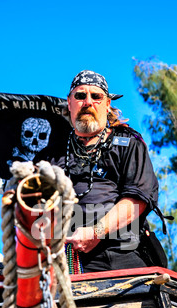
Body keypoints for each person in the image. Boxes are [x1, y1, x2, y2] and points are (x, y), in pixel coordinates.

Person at [48, 70, 164, 273]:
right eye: (80, 95)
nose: (88, 102)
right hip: (63, 262)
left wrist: (96, 232)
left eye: (96, 96)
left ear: (108, 103)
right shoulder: (51, 154)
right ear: (69, 102)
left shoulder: (128, 143)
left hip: (120, 254)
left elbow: (137, 200)